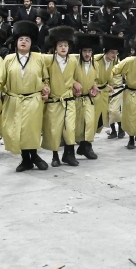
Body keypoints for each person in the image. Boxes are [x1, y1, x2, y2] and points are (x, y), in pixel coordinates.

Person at [0, 20, 51, 172]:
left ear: (31, 43)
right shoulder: (9, 59)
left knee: (31, 130)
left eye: (27, 40)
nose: (23, 42)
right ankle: (26, 160)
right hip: (14, 100)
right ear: (16, 42)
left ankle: (34, 156)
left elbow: (46, 79)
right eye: (21, 39)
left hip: (33, 100)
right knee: (18, 131)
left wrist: (46, 88)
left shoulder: (39, 58)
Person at [42, 26, 81, 167]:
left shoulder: (73, 60)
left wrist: (76, 84)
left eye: (66, 45)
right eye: (60, 45)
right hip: (54, 101)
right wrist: (45, 87)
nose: (63, 48)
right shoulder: (48, 60)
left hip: (69, 99)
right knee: (55, 130)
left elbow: (75, 77)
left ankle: (69, 154)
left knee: (70, 128)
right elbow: (44, 78)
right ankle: (55, 156)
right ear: (55, 47)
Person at [73, 33, 101, 160]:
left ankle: (87, 146)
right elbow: (67, 78)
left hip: (88, 98)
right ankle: (80, 146)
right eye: (85, 51)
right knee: (78, 125)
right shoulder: (74, 62)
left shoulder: (95, 64)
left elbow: (95, 79)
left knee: (89, 122)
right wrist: (74, 84)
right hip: (76, 98)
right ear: (80, 51)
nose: (87, 54)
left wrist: (94, 87)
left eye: (89, 51)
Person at [95, 34, 124, 139]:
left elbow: (115, 74)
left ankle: (121, 128)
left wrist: (111, 85)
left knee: (112, 111)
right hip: (95, 90)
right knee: (103, 113)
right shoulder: (96, 60)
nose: (114, 55)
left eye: (116, 52)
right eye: (112, 52)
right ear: (105, 51)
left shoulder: (115, 60)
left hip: (112, 89)